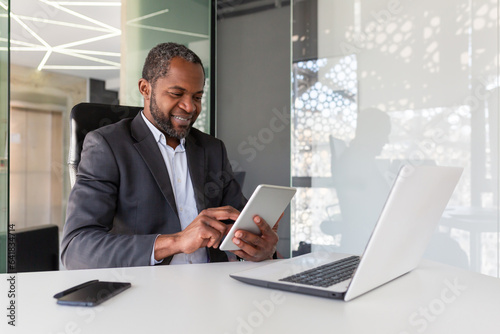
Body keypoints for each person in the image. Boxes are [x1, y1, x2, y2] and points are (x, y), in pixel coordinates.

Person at [61, 42, 279, 269]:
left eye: (197, 97)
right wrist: (176, 241)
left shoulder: (212, 149)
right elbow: (76, 249)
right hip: (145, 293)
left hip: (215, 289)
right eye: (177, 93)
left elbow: (238, 231)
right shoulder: (107, 146)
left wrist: (259, 247)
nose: (189, 107)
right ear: (145, 89)